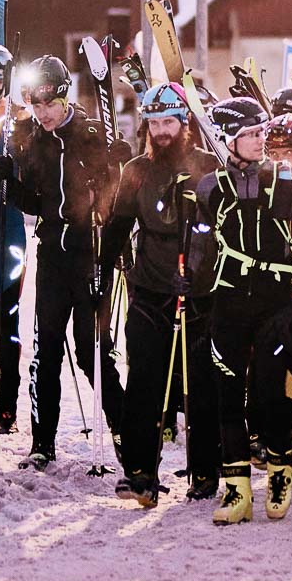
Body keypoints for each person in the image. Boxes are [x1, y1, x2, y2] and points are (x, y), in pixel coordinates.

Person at [191, 98, 292, 524]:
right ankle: (236, 491)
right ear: (228, 140)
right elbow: (198, 239)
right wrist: (188, 277)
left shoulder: (287, 180)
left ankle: (280, 471)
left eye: (260, 132)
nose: (259, 141)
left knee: (270, 393)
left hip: (275, 299)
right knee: (227, 393)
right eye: (249, 134)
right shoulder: (209, 187)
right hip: (229, 299)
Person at [0, 54, 127, 471]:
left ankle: (127, 436)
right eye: (36, 107)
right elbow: (36, 202)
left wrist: (117, 164)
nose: (44, 114)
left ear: (64, 96)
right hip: (53, 253)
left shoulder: (90, 132)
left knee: (93, 353)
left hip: (89, 254)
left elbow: (114, 195)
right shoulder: (32, 139)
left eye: (49, 105)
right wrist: (10, 186)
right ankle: (42, 442)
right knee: (47, 348)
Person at [102, 83, 216, 505]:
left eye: (169, 121)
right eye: (154, 123)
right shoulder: (136, 171)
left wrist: (202, 267)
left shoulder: (207, 166)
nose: (161, 130)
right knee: (144, 382)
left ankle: (205, 472)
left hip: (198, 293)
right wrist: (103, 273)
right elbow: (117, 227)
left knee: (200, 385)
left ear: (185, 123)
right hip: (150, 290)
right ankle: (139, 472)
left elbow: (222, 226)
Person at [0, 44, 27, 434]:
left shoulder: (20, 119)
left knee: (7, 318)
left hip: (6, 223)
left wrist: (13, 171)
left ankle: (5, 405)